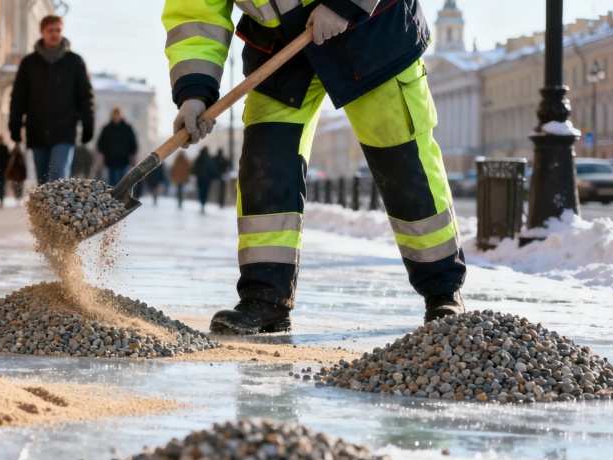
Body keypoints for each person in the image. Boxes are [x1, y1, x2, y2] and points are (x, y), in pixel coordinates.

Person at [163, 0, 467, 334]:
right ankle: (265, 299)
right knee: (265, 165)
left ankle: (442, 290)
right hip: (282, 48)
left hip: (371, 30)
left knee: (403, 162)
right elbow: (195, 13)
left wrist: (344, 4)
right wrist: (193, 90)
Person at [9, 15, 94, 186]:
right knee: (42, 179)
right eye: (50, 30)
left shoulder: (75, 62)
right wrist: (15, 125)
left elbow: (85, 96)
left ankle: (59, 212)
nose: (54, 34)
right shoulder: (29, 63)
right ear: (42, 32)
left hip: (65, 130)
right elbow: (18, 97)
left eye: (58, 30)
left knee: (58, 174)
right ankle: (47, 213)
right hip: (36, 130)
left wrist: (88, 125)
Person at [96, 107, 139, 187]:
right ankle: (113, 198)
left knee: (123, 181)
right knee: (112, 182)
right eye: (115, 115)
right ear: (112, 115)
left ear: (122, 115)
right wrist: (103, 155)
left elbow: (133, 144)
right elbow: (100, 144)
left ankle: (121, 198)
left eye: (118, 114)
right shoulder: (107, 129)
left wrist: (132, 155)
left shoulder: (127, 128)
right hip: (111, 161)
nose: (117, 116)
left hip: (124, 161)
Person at [192, 147, 220, 215]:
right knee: (205, 191)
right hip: (206, 178)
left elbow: (194, 168)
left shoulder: (199, 158)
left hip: (200, 178)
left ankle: (202, 203)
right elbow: (212, 168)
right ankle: (203, 203)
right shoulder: (208, 158)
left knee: (201, 191)